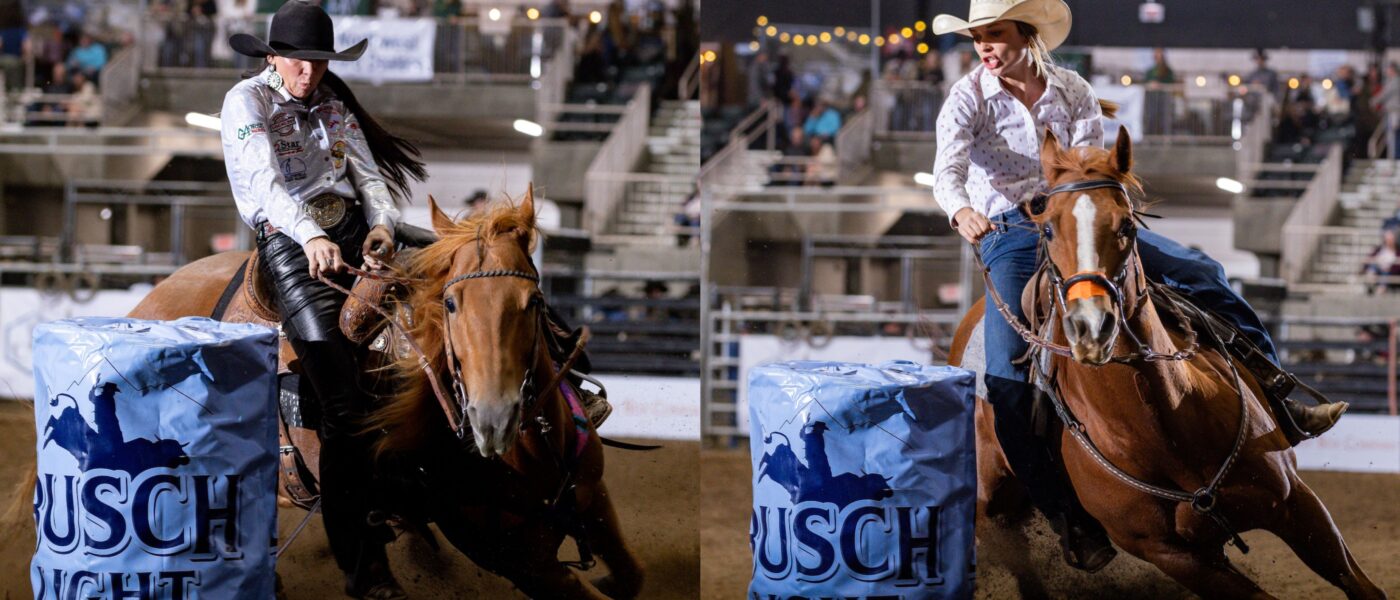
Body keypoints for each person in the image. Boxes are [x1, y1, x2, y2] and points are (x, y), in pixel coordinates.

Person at [931, 0, 1345, 574]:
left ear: (1024, 34)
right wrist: (961, 212)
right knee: (1003, 380)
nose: (984, 48)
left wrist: (1086, 202)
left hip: (1082, 217)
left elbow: (1093, 161)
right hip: (1011, 233)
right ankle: (1068, 519)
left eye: (994, 35)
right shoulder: (968, 97)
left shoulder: (1070, 88)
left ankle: (1280, 396)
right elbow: (948, 171)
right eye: (978, 39)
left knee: (1205, 274)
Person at [220, 2, 426, 597]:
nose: (311, 71)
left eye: (319, 61)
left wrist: (384, 224)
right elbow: (262, 182)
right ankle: (361, 567)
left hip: (356, 229)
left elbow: (368, 177)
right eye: (301, 60)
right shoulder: (247, 103)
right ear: (273, 57)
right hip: (288, 239)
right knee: (341, 399)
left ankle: (565, 383)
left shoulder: (333, 105)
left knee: (468, 269)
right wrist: (310, 233)